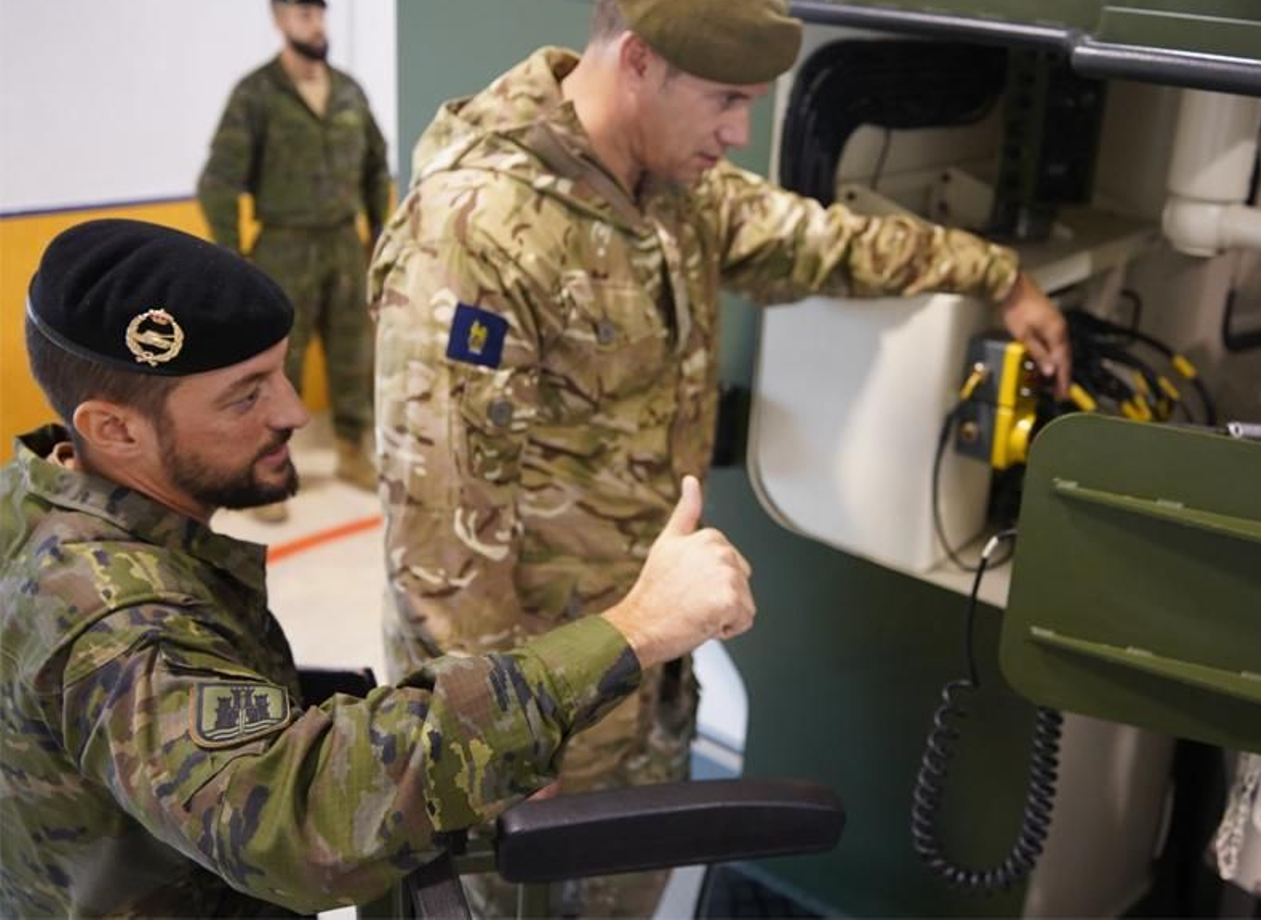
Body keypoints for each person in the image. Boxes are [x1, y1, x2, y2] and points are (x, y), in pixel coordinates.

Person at [370, 0, 1071, 916]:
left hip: (642, 677)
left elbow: (822, 243)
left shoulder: (668, 191)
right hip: (529, 713)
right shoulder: (476, 230)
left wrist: (998, 277)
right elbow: (439, 542)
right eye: (726, 100)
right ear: (637, 61)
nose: (740, 131)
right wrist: (497, 745)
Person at [0, 218, 755, 916]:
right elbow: (294, 824)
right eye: (245, 396)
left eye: (281, 373)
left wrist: (458, 740)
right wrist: (637, 628)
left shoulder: (37, 496)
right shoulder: (115, 617)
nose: (293, 412)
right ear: (114, 429)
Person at [198, 0, 391, 520]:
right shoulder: (257, 94)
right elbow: (217, 182)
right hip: (283, 246)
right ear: (280, 22)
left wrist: (378, 235)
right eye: (304, 16)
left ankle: (353, 451)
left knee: (354, 355)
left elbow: (376, 167)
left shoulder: (348, 91)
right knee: (275, 368)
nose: (316, 26)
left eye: (320, 15)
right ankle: (260, 472)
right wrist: (232, 258)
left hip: (343, 244)